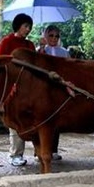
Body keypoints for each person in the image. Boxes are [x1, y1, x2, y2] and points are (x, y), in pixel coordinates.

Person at [0, 13, 36, 167]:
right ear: (18, 26)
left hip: (29, 88)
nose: (28, 29)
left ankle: (39, 151)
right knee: (15, 121)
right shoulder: (6, 42)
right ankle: (16, 154)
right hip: (12, 88)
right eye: (26, 26)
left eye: (29, 27)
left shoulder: (30, 45)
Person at [37, 25, 70, 160]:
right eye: (51, 35)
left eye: (57, 36)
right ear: (45, 36)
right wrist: (42, 49)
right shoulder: (39, 50)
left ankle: (53, 149)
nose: (54, 38)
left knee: (56, 120)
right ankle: (40, 149)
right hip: (43, 89)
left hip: (58, 89)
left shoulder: (64, 52)